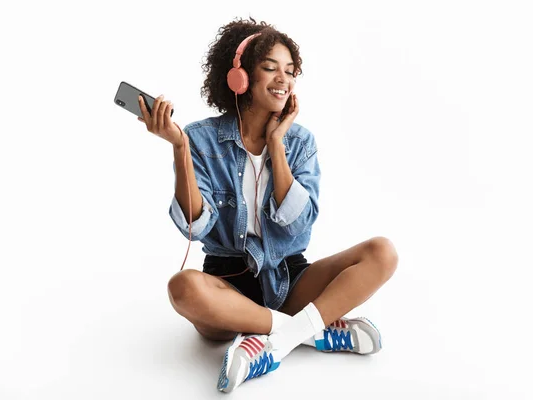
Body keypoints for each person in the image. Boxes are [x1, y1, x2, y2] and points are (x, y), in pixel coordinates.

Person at [137, 17, 398, 393]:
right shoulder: (199, 139)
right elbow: (196, 226)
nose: (283, 79)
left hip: (290, 278)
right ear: (240, 77)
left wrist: (277, 144)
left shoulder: (300, 142)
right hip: (227, 286)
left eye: (290, 72)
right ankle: (313, 331)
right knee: (183, 288)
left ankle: (270, 343)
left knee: (382, 252)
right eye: (270, 67)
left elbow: (298, 227)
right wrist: (180, 148)